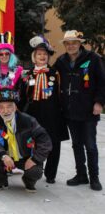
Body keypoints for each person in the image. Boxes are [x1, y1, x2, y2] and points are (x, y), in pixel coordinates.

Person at [54, 30, 105, 191]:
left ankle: (94, 177)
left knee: (90, 145)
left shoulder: (93, 59)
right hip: (70, 111)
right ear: (65, 45)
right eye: (68, 43)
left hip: (89, 110)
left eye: (74, 43)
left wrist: (99, 102)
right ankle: (81, 175)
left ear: (80, 44)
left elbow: (102, 82)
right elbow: (51, 77)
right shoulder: (61, 61)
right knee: (76, 144)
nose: (71, 46)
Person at [20, 35, 69, 184]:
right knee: (32, 142)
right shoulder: (27, 75)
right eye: (39, 54)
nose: (42, 56)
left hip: (52, 115)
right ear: (34, 57)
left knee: (53, 144)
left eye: (45, 54)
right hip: (32, 116)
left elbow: (62, 95)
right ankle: (33, 168)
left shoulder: (55, 74)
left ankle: (51, 174)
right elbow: (22, 97)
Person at [0, 88, 52, 193]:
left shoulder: (28, 121)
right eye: (1, 107)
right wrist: (4, 155)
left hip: (26, 157)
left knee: (36, 170)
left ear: (15, 107)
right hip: (7, 157)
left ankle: (28, 181)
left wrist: (34, 159)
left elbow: (46, 142)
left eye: (9, 106)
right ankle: (1, 181)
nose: (5, 111)